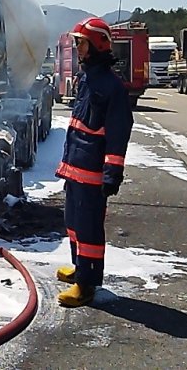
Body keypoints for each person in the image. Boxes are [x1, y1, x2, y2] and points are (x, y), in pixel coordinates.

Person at [54, 17, 134, 307]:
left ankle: (86, 285)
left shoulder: (112, 87)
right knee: (73, 224)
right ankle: (79, 269)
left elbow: (118, 133)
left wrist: (113, 172)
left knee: (88, 229)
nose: (78, 48)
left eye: (82, 43)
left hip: (92, 172)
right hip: (76, 167)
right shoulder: (87, 78)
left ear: (98, 44)